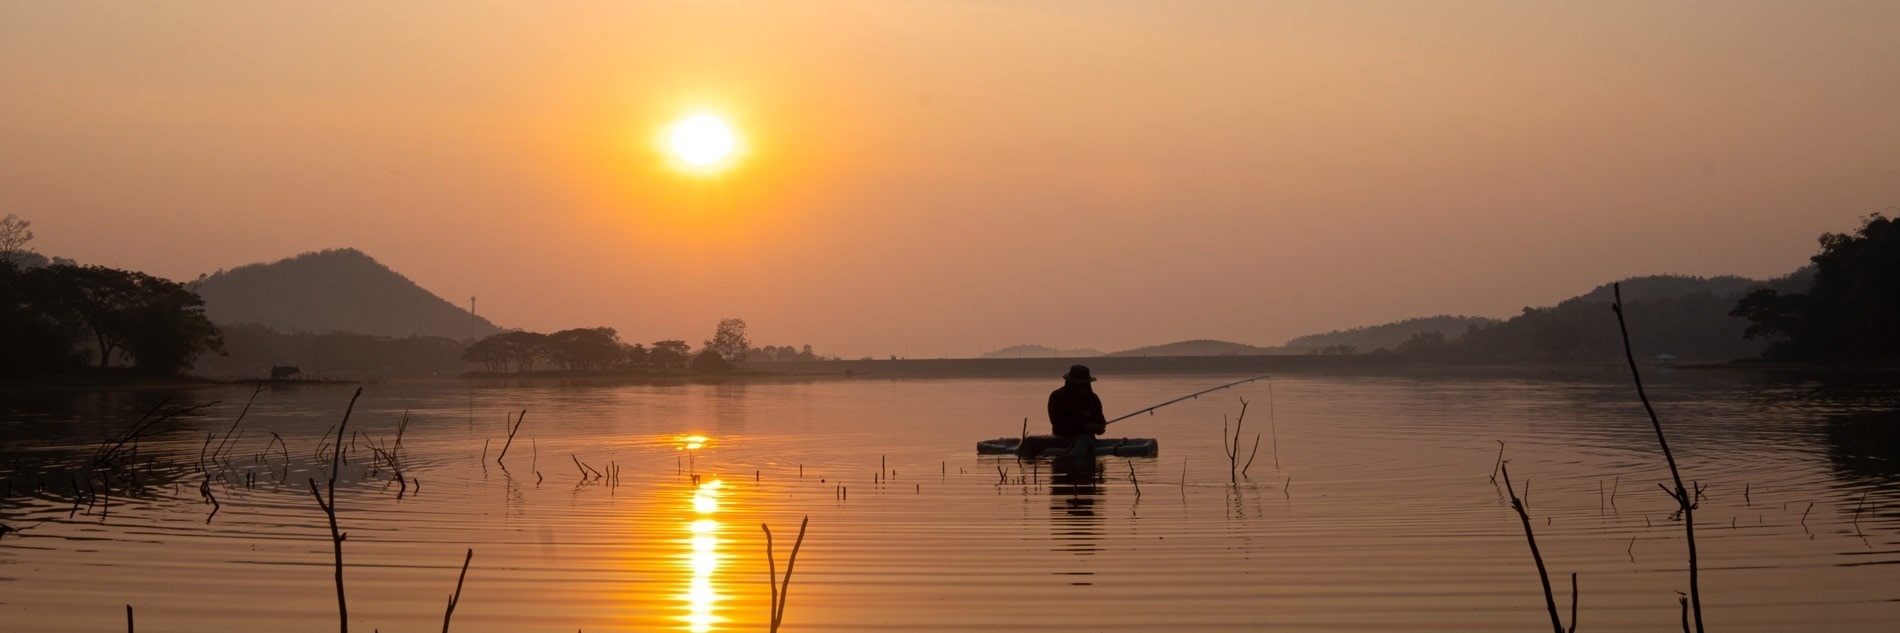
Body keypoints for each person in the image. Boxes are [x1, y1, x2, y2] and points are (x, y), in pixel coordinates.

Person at [1046, 365, 1106, 455]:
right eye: (1078, 385)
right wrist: (1084, 427)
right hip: (1061, 441)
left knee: (1085, 440)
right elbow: (1058, 424)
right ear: (1070, 384)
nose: (1082, 388)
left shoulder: (1093, 399)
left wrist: (1100, 428)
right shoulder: (1057, 397)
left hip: (1087, 442)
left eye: (1085, 385)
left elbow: (1100, 422)